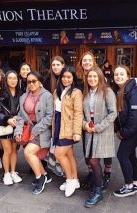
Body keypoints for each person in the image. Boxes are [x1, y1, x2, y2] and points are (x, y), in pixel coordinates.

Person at [76, 52, 112, 190]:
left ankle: (107, 172)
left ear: (94, 63)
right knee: (88, 148)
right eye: (84, 60)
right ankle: (92, 173)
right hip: (86, 119)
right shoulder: (79, 79)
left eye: (89, 60)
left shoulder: (100, 77)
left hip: (101, 118)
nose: (87, 62)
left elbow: (110, 104)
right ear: (80, 63)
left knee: (104, 148)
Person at [82, 66, 117, 207]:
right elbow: (81, 113)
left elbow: (113, 113)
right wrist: (85, 125)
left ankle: (98, 192)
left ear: (100, 77)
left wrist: (99, 127)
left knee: (94, 161)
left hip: (103, 131)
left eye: (95, 76)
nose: (92, 79)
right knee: (91, 160)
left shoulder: (107, 91)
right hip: (89, 131)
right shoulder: (85, 92)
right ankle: (99, 183)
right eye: (90, 76)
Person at [15, 71, 53, 194]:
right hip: (27, 130)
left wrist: (36, 130)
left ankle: (39, 178)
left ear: (40, 82)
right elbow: (20, 116)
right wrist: (18, 131)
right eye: (29, 81)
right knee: (33, 155)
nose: (31, 84)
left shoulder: (47, 96)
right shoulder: (23, 97)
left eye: (34, 81)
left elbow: (49, 116)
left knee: (28, 152)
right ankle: (45, 174)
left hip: (41, 130)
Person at [112, 65, 137, 197]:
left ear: (128, 76)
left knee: (122, 155)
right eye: (116, 74)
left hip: (133, 130)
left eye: (121, 74)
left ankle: (128, 186)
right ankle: (136, 183)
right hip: (130, 130)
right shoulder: (121, 90)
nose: (118, 77)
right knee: (131, 155)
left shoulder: (134, 91)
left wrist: (123, 132)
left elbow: (135, 117)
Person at [53, 66, 83, 197]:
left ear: (73, 78)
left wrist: (77, 132)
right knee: (69, 154)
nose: (66, 79)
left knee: (58, 154)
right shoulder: (58, 91)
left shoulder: (76, 92)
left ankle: (69, 179)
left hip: (69, 127)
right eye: (64, 77)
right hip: (59, 124)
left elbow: (78, 113)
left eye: (69, 77)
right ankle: (75, 179)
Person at [0, 70, 22, 185]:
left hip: (17, 126)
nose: (12, 80)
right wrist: (7, 119)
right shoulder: (0, 93)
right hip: (5, 126)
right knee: (7, 151)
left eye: (15, 78)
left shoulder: (21, 92)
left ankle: (13, 172)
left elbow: (24, 109)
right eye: (10, 78)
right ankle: (6, 173)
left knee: (15, 150)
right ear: (6, 79)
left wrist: (18, 119)